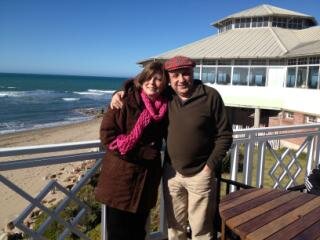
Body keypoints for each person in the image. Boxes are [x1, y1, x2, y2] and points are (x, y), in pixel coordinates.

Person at [111, 56, 233, 240]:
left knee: (202, 229)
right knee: (175, 228)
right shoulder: (168, 96)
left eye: (186, 74)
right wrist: (119, 91)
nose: (181, 79)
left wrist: (210, 166)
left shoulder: (210, 96)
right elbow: (142, 84)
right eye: (175, 75)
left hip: (201, 174)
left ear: (193, 73)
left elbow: (224, 135)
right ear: (169, 78)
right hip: (172, 174)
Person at [95, 61, 168, 240]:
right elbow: (107, 137)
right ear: (142, 79)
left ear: (164, 84)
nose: (152, 83)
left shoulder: (165, 106)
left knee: (138, 233)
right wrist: (142, 152)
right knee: (118, 233)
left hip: (146, 182)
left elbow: (184, 89)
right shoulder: (124, 101)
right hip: (120, 181)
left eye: (158, 79)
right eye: (149, 78)